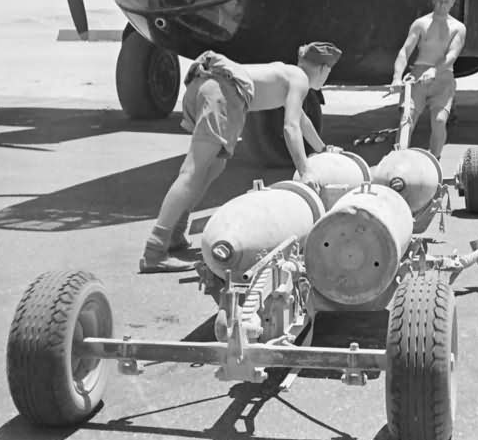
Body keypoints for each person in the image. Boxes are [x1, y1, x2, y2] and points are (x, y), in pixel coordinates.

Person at [139, 42, 342, 273]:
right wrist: (305, 171)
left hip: (206, 86)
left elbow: (302, 121)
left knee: (214, 166)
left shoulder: (286, 72)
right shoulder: (300, 79)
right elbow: (291, 128)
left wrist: (323, 149)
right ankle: (154, 250)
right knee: (193, 171)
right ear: (323, 69)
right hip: (223, 93)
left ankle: (175, 231)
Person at [391, 0, 467, 160]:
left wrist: (434, 71)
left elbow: (452, 55)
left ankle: (435, 160)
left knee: (440, 121)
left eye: (447, 2)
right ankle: (397, 160)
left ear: (453, 2)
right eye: (439, 0)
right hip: (418, 77)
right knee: (406, 119)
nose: (442, 5)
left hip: (443, 77)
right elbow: (405, 51)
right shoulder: (420, 23)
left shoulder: (458, 28)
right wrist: (396, 78)